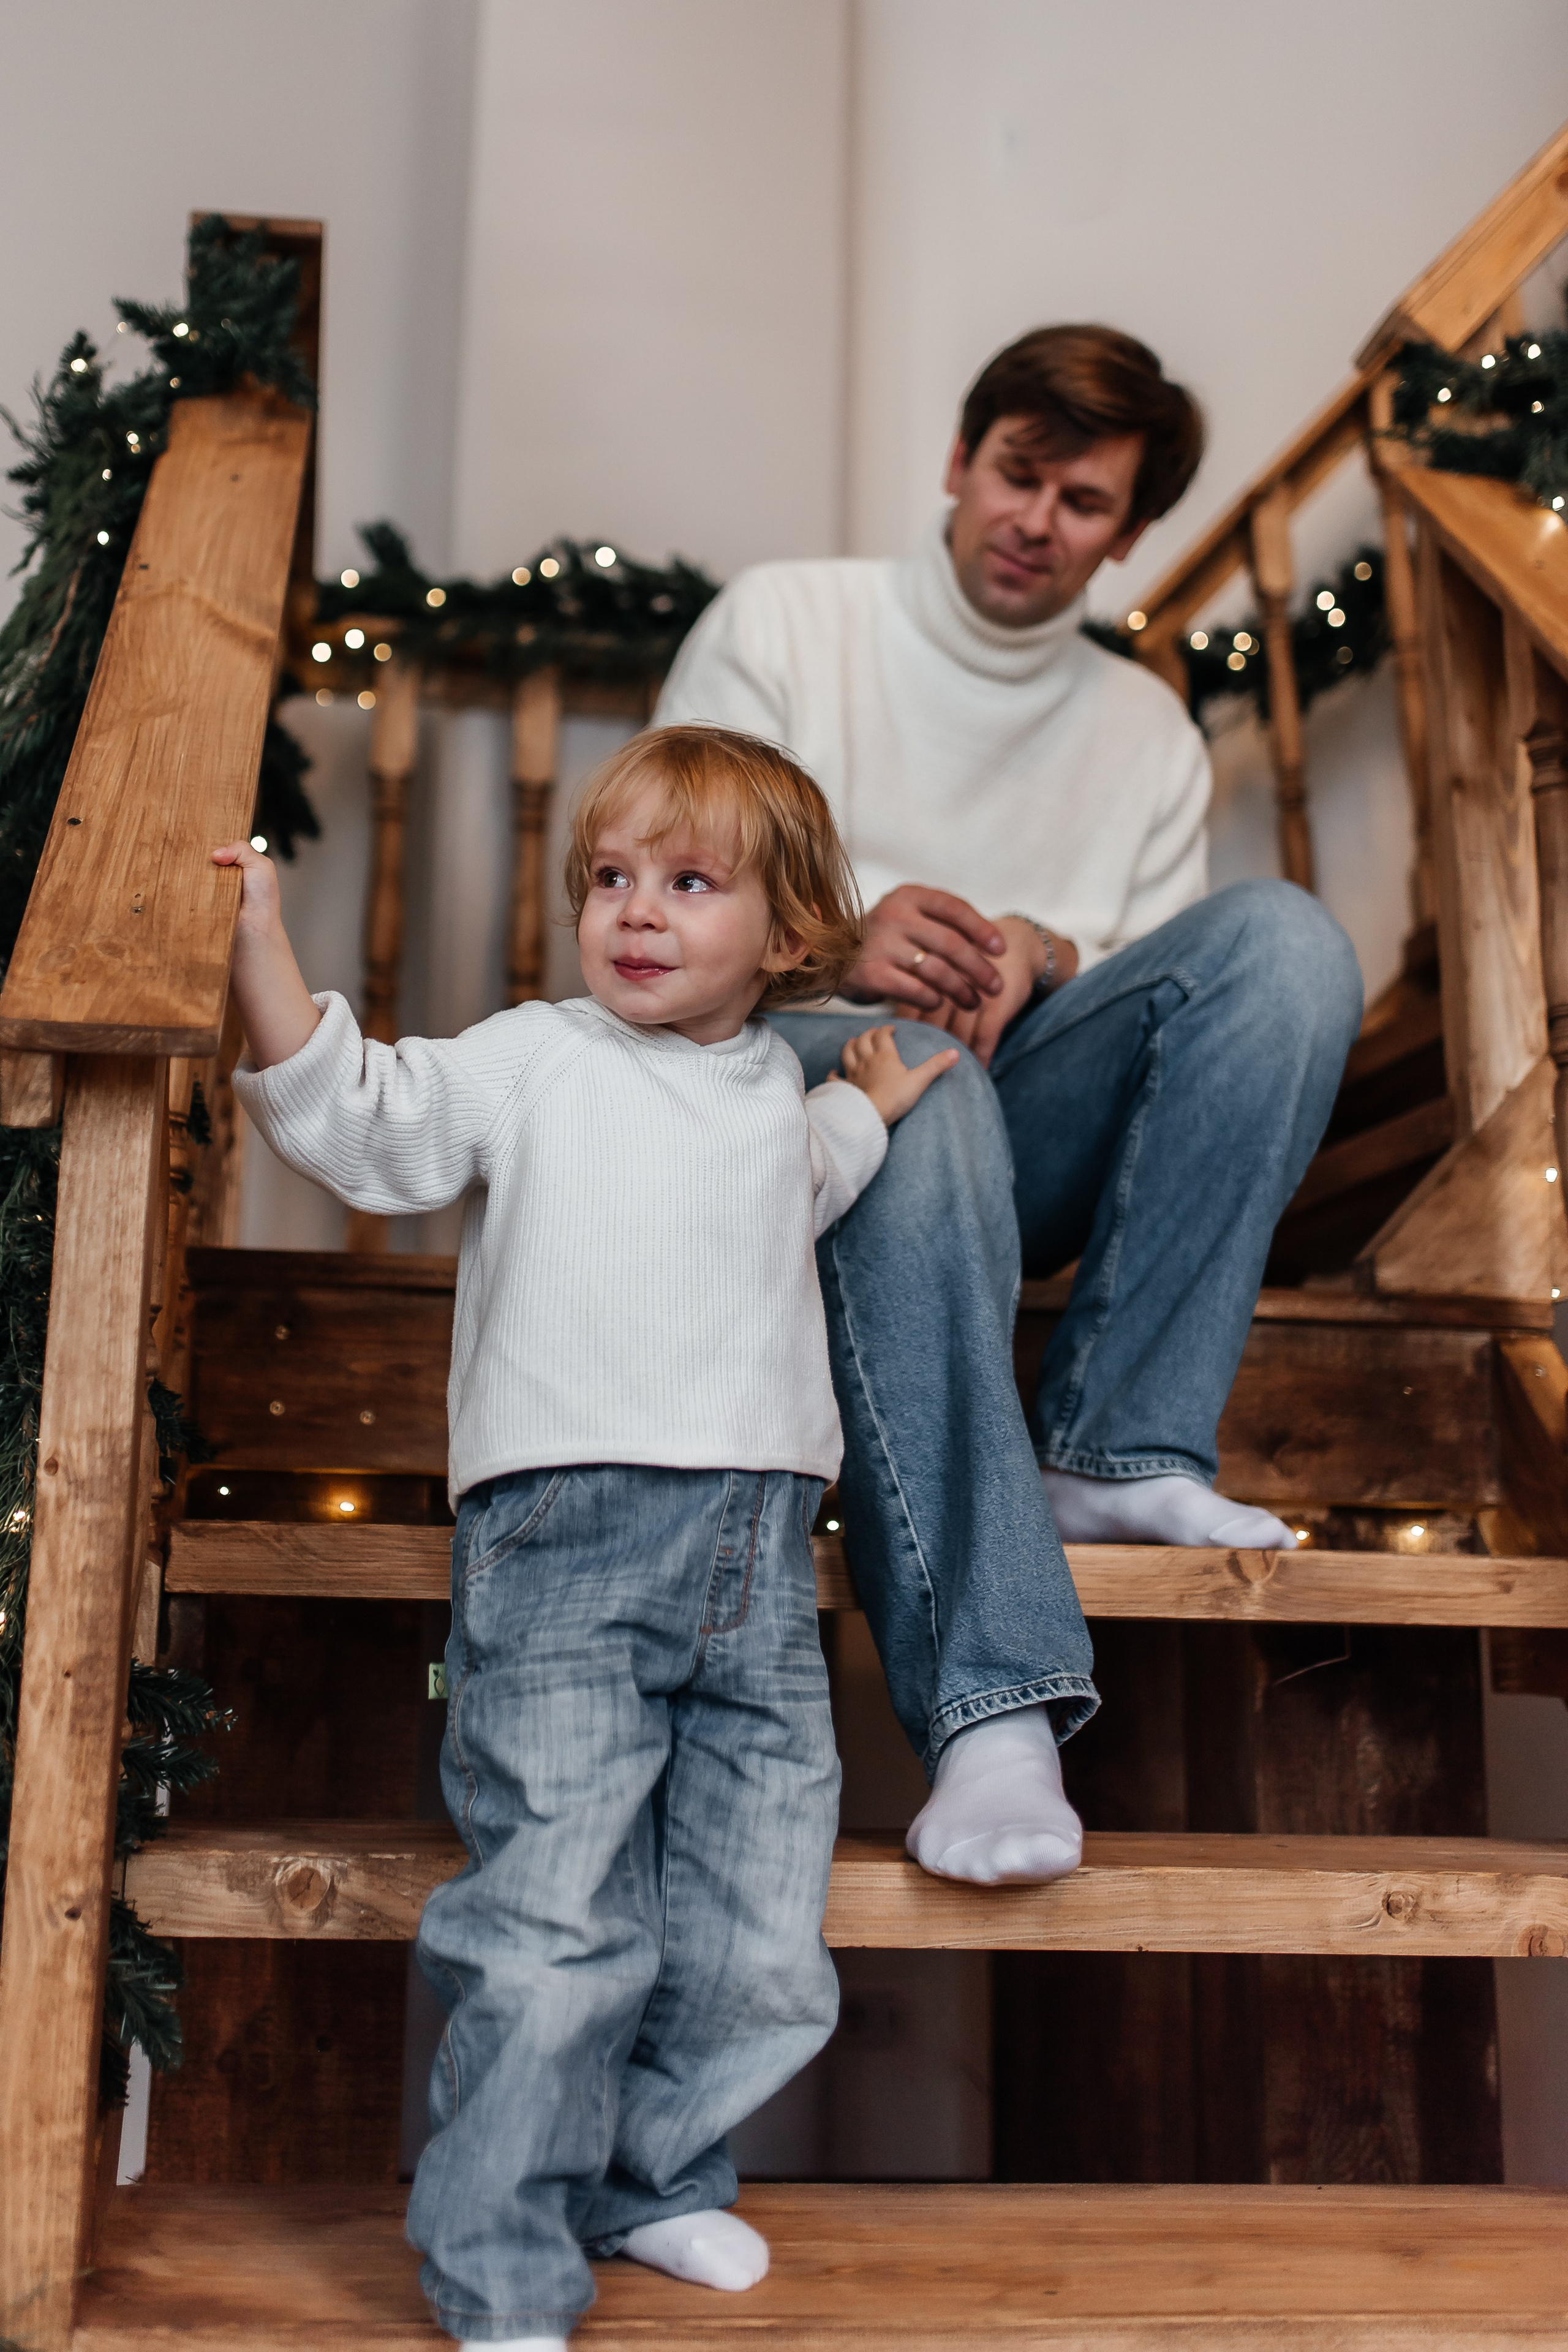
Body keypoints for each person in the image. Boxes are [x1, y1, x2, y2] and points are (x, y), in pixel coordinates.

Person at [213, 728, 956, 2347]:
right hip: (564, 1544)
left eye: (689, 885)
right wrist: (261, 948)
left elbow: (823, 1166)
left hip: (759, 1562)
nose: (635, 912)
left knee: (760, 1929)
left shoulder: (776, 1090)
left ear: (786, 938)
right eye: (611, 879)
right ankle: (501, 2268)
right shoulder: (533, 1058)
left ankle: (657, 2175)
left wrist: (880, 1101)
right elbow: (357, 1118)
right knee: (559, 1928)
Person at [655, 323, 1365, 1890]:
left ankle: (1116, 1448)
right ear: (957, 462)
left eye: (1083, 500)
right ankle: (989, 1709)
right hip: (761, 1120)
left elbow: (1166, 1032)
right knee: (928, 1091)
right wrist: (834, 942)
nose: (1035, 519)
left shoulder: (1147, 735)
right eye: (1014, 473)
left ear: (1127, 531)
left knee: (1286, 946)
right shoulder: (786, 623)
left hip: (1004, 1137)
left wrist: (1046, 956)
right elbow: (652, 905)